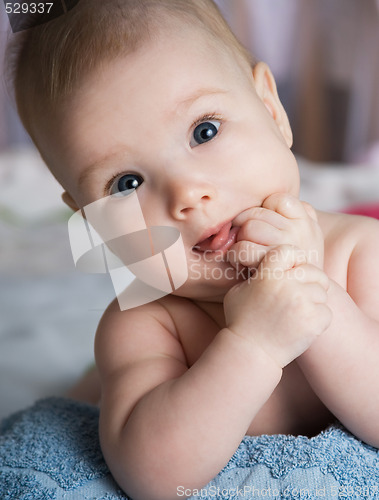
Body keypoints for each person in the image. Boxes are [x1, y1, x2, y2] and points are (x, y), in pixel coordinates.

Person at [6, 1, 379, 498]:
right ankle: (93, 384)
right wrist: (253, 345)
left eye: (205, 131)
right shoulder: (145, 323)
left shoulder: (359, 254)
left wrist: (312, 291)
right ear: (93, 223)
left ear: (271, 109)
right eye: (126, 183)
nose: (185, 196)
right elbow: (155, 479)